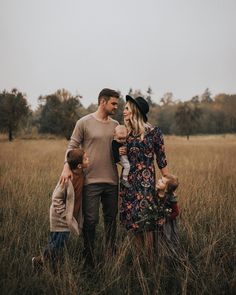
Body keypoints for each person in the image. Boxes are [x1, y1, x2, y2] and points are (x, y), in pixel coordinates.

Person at [60, 88, 120, 268]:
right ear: (103, 101)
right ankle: (89, 258)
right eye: (113, 103)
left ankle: (110, 255)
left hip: (112, 181)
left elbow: (119, 148)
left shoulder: (116, 124)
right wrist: (66, 166)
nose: (116, 106)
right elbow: (72, 145)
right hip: (90, 181)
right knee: (91, 221)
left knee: (111, 220)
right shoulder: (84, 122)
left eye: (117, 103)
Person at [119, 95, 169, 256]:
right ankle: (139, 261)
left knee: (147, 222)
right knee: (134, 223)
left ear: (135, 111)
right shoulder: (125, 134)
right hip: (128, 184)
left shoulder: (153, 132)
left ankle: (149, 261)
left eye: (126, 108)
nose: (123, 111)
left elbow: (161, 160)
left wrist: (169, 184)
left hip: (146, 185)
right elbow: (121, 159)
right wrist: (117, 152)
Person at [32, 148, 89, 270]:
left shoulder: (82, 174)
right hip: (60, 217)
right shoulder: (67, 179)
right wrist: (65, 214)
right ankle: (40, 261)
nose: (88, 159)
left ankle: (51, 265)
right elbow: (56, 199)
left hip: (67, 217)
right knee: (58, 243)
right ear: (79, 165)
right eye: (86, 158)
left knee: (56, 242)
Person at [155, 174, 180, 256]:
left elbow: (176, 212)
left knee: (168, 238)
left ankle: (172, 257)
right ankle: (160, 255)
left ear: (166, 189)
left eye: (162, 181)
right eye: (160, 179)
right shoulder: (155, 193)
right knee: (159, 239)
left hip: (167, 223)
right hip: (157, 221)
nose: (158, 181)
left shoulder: (170, 198)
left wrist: (166, 219)